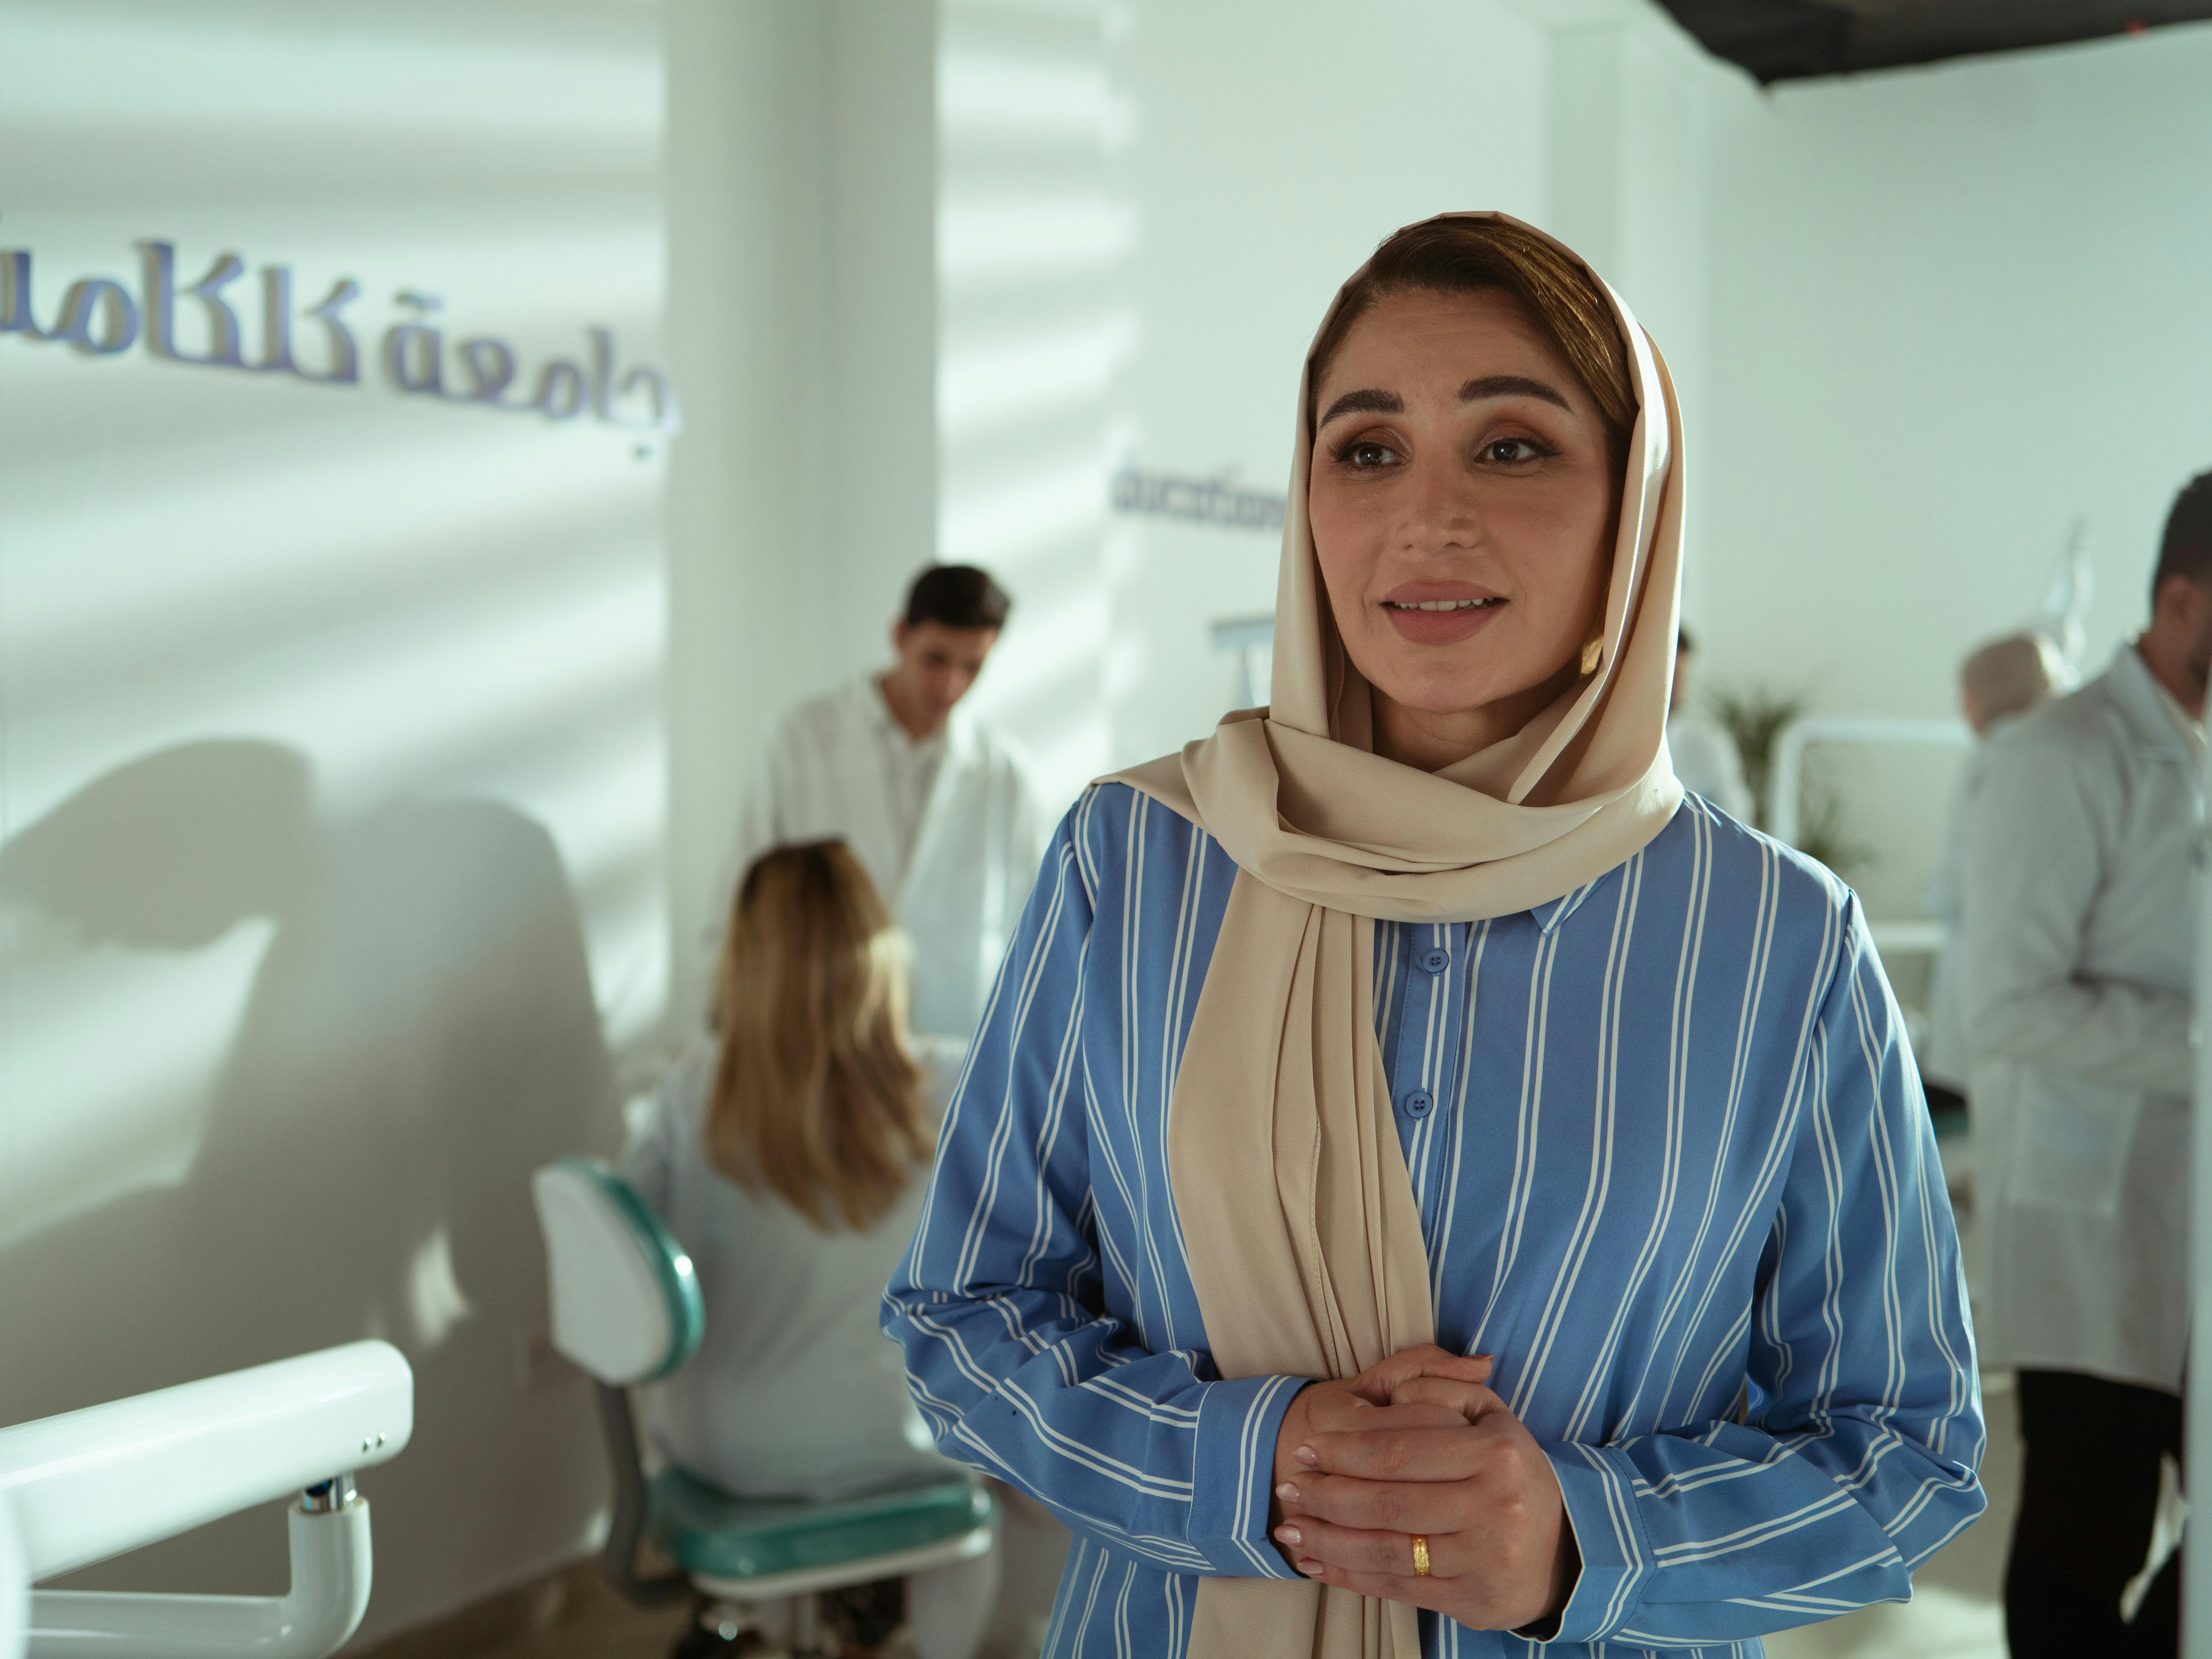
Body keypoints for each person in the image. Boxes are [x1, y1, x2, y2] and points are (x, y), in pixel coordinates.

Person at [886, 213, 1983, 1659]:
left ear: (1634, 508)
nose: (1427, 516)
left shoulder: (1776, 939)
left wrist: (1585, 1537)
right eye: (1366, 447)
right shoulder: (1142, 860)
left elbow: (1904, 1449)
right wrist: (1253, 1466)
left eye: (1513, 446)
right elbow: (966, 1314)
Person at [626, 841, 993, 1659]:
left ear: (746, 961)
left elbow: (625, 1277)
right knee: (973, 1468)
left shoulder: (694, 1090)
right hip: (904, 1443)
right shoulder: (959, 1082)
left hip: (735, 1452)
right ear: (881, 947)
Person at [1963, 470, 2212, 1658]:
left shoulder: (2195, 749)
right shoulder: (2065, 755)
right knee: (2084, 1539)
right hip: (2091, 1228)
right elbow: (2007, 1006)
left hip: (2190, 1210)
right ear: (2180, 601)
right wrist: (2202, 1050)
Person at [725, 564, 1044, 1045]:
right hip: (822, 1034)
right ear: (899, 635)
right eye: (935, 659)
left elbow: (1037, 928)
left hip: (954, 1046)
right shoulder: (802, 739)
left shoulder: (1006, 774)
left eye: (972, 667)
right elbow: (745, 894)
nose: (951, 686)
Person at [1918, 632, 2069, 1119]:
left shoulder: (1993, 763)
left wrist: (1933, 898)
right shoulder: (2060, 758)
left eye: (1967, 690)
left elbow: (1956, 879)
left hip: (1988, 951)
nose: (1961, 704)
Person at [1665, 625, 1753, 819]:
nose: (1672, 685)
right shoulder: (1608, 741)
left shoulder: (1709, 745)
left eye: (1678, 675)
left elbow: (1737, 821)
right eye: (1665, 673)